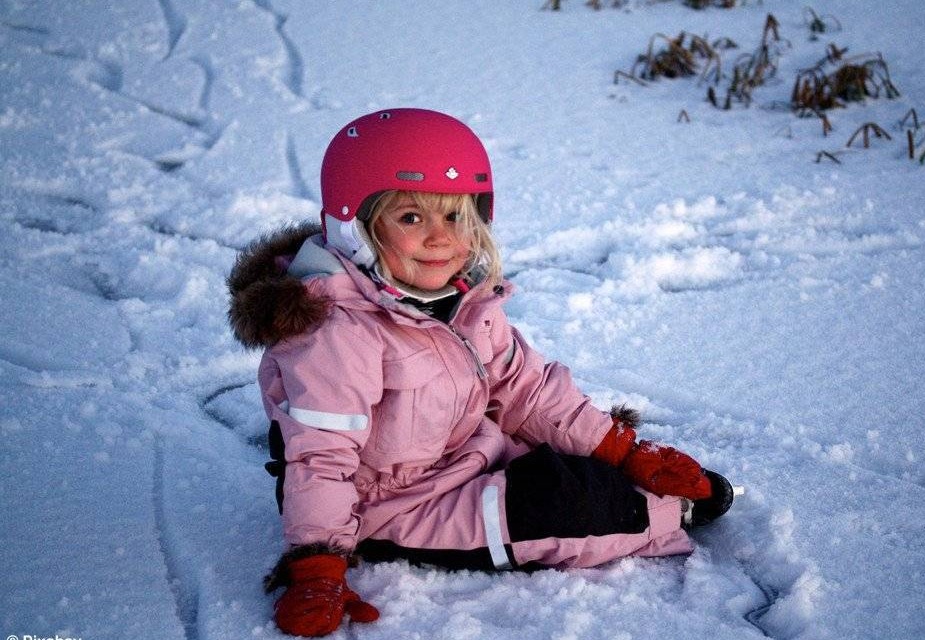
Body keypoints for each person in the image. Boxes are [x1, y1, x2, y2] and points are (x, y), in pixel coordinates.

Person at [227, 108, 734, 637]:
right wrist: (315, 565)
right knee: (559, 509)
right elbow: (321, 457)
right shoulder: (337, 333)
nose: (440, 238)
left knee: (566, 460)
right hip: (389, 504)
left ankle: (624, 481)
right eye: (411, 218)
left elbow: (527, 390)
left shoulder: (462, 300)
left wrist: (623, 451)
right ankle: (662, 515)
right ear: (356, 229)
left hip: (465, 450)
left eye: (454, 217)